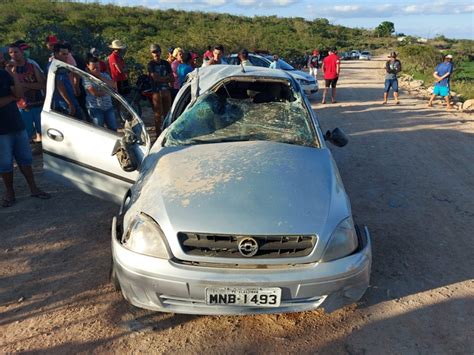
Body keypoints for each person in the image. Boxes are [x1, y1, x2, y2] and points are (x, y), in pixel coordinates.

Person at [0, 64, 50, 208]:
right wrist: (11, 97)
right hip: (1, 131)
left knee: (25, 160)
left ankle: (33, 188)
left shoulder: (4, 74)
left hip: (16, 125)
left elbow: (20, 94)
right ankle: (10, 193)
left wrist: (14, 75)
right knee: (5, 164)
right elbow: (14, 97)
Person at [8, 43, 46, 143]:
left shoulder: (32, 66)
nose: (13, 54)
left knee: (43, 130)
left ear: (21, 52)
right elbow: (12, 90)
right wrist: (29, 85)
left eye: (16, 52)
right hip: (21, 107)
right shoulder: (8, 70)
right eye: (11, 52)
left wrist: (23, 85)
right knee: (26, 134)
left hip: (38, 104)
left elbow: (42, 85)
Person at [47, 42, 83, 120]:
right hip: (63, 104)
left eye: (67, 54)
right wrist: (69, 103)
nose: (66, 56)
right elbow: (60, 85)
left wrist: (76, 87)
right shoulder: (56, 67)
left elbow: (74, 74)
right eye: (63, 54)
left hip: (70, 99)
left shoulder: (63, 65)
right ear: (56, 54)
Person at [83, 55, 117, 131]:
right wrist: (108, 90)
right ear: (88, 66)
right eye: (93, 68)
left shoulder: (105, 75)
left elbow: (113, 85)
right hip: (95, 108)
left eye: (97, 67)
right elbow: (94, 93)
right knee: (99, 130)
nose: (96, 70)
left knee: (113, 129)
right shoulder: (86, 78)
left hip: (108, 107)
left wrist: (99, 76)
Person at [148, 44, 173, 135]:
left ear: (160, 52)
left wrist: (161, 78)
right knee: (158, 115)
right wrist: (166, 78)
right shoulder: (151, 64)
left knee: (167, 114)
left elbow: (172, 78)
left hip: (166, 90)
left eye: (157, 51)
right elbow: (155, 78)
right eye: (154, 52)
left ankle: (166, 134)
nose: (156, 53)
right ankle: (158, 135)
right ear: (151, 53)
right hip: (156, 91)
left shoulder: (166, 63)